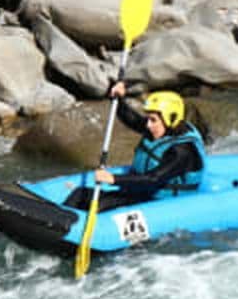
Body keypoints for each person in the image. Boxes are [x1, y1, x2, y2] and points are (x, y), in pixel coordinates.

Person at [64, 82, 207, 211]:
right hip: (142, 191)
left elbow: (153, 179)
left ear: (171, 118)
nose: (147, 125)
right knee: (80, 194)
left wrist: (113, 179)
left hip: (161, 201)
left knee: (101, 206)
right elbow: (132, 120)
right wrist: (118, 98)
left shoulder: (183, 151)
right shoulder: (162, 128)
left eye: (153, 120)